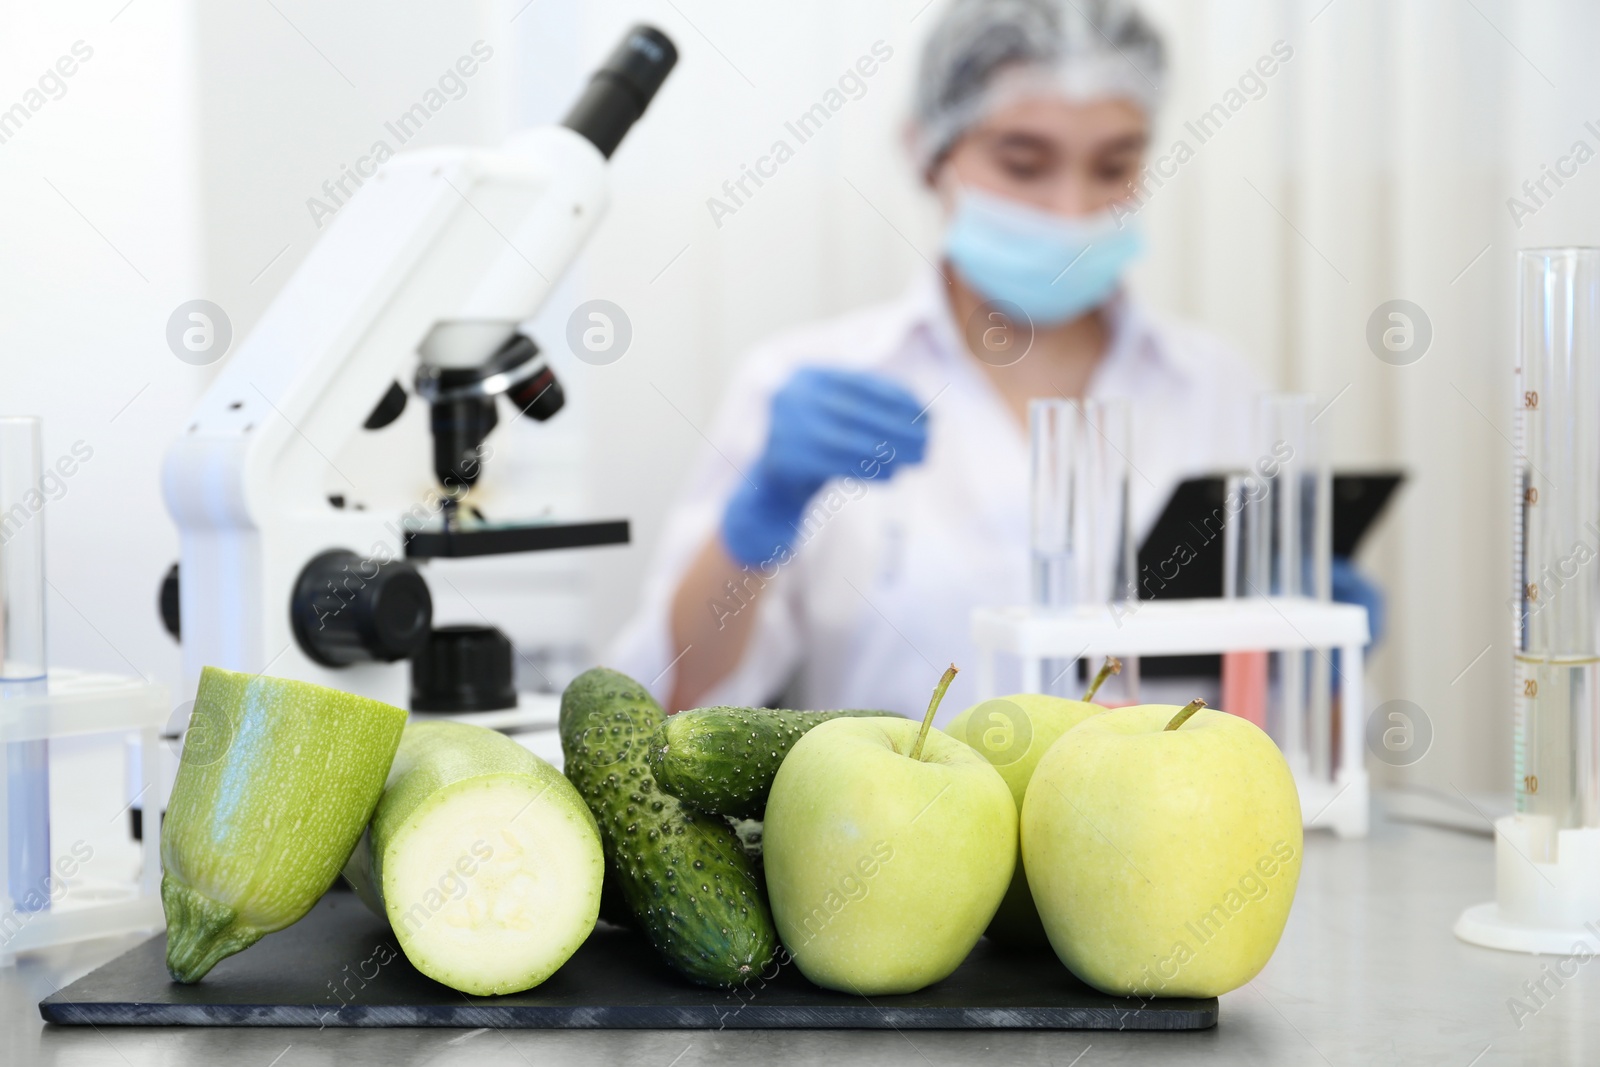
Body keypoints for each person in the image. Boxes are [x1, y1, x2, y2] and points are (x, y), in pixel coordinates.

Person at [609, 0, 1375, 720]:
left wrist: (1319, 650)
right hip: (902, 851)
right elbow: (676, 693)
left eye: (1112, 167)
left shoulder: (1215, 386)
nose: (1071, 210)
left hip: (1169, 851)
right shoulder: (815, 380)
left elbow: (1276, 740)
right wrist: (758, 521)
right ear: (931, 153)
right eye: (1023, 161)